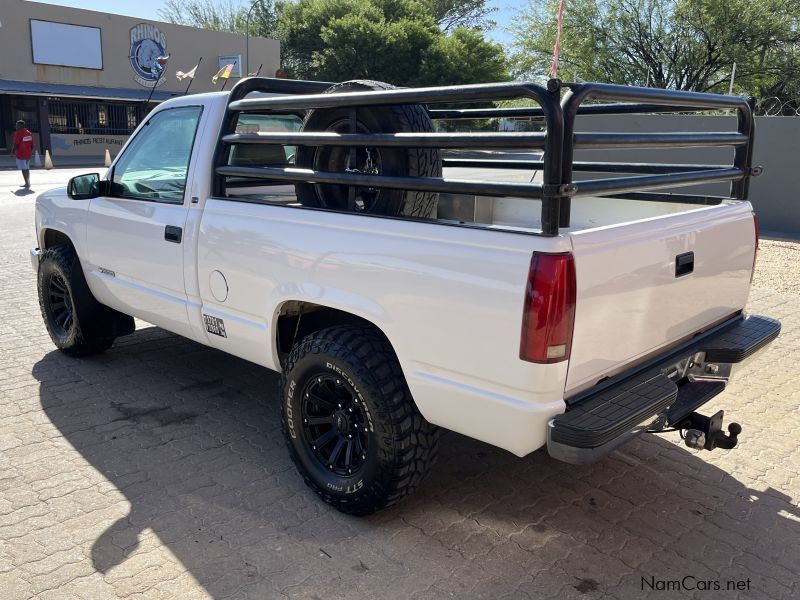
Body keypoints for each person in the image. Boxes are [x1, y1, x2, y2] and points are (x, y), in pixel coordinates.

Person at [11, 120, 34, 189]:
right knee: (27, 168)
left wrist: (12, 152)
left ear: (21, 126)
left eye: (17, 125)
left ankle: (27, 183)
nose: (16, 126)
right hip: (28, 154)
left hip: (21, 154)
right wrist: (29, 151)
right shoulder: (29, 133)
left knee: (23, 169)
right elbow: (32, 145)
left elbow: (16, 144)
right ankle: (28, 182)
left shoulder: (18, 133)